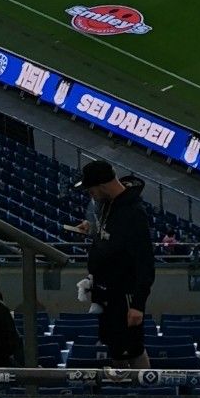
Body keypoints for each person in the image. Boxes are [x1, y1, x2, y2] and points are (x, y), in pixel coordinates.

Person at [76, 158, 155, 369]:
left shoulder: (133, 213)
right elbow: (111, 238)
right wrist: (91, 229)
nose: (89, 194)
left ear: (102, 185)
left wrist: (138, 304)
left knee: (133, 349)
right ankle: (123, 392)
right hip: (107, 293)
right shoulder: (108, 204)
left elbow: (145, 262)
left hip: (124, 295)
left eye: (91, 189)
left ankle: (144, 392)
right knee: (115, 347)